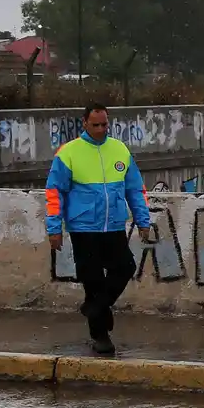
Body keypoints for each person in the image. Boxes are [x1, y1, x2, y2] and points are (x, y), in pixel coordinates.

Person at [45, 103, 156, 355]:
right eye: (95, 124)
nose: (100, 129)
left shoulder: (119, 149)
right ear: (84, 123)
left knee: (126, 266)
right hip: (83, 227)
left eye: (104, 124)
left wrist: (143, 220)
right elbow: (55, 193)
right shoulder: (69, 152)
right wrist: (54, 228)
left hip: (114, 224)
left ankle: (95, 308)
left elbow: (135, 190)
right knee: (92, 280)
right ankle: (101, 336)